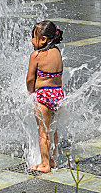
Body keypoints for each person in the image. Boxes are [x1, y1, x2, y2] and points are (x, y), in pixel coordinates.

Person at [26, 21, 64, 172]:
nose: (31, 41)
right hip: (57, 94)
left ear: (43, 40)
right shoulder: (57, 52)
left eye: (33, 37)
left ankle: (45, 164)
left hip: (43, 96)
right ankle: (52, 159)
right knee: (52, 130)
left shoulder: (36, 55)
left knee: (43, 131)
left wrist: (30, 93)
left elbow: (30, 79)